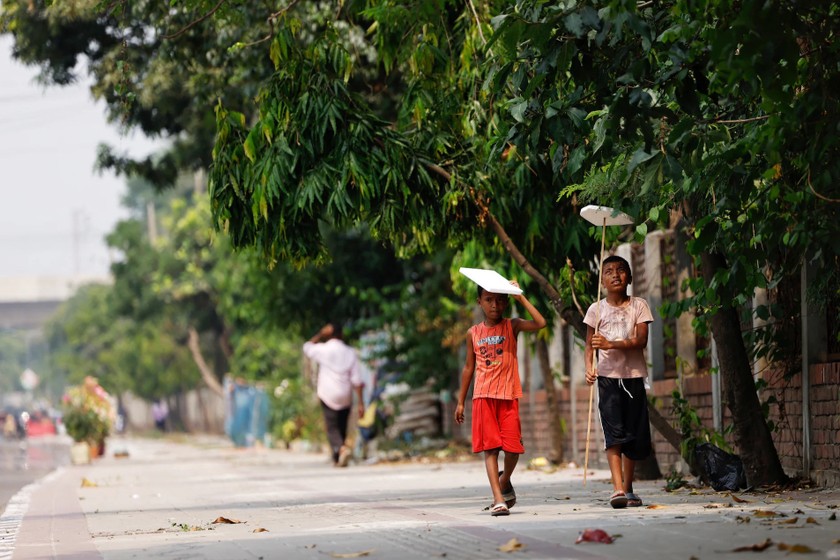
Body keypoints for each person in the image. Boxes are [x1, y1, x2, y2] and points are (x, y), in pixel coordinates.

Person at [455, 280, 547, 516]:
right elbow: (468, 368)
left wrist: (520, 297)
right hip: (483, 396)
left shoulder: (512, 326)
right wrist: (460, 401)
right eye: (488, 300)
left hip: (507, 396)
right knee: (491, 450)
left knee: (514, 449)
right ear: (480, 302)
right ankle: (498, 499)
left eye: (499, 300)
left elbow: (540, 322)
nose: (494, 305)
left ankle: (504, 480)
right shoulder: (473, 333)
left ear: (505, 302)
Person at [584, 255, 654, 509]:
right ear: (602, 280)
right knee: (614, 433)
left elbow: (641, 340)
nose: (615, 275)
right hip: (608, 379)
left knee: (633, 434)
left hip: (633, 378)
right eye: (609, 271)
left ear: (630, 277)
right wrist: (589, 367)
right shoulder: (596, 309)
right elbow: (589, 345)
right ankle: (617, 489)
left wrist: (610, 344)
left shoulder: (639, 305)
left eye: (621, 270)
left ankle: (629, 486)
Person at [303, 323, 365, 467]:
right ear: (342, 335)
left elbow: (307, 347)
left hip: (327, 392)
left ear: (329, 335)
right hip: (345, 393)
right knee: (342, 425)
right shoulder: (350, 352)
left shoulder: (323, 350)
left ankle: (341, 449)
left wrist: (320, 334)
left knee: (331, 426)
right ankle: (337, 457)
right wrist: (361, 402)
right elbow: (357, 380)